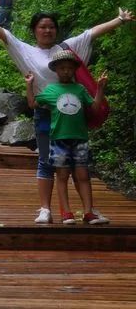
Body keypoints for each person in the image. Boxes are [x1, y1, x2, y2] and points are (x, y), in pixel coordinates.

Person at [0, 3, 132, 223]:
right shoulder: (26, 51)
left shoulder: (66, 48)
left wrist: (119, 20)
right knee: (46, 160)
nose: (47, 30)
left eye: (51, 26)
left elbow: (91, 34)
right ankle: (45, 208)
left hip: (72, 114)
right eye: (42, 27)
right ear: (35, 30)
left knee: (79, 164)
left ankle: (89, 210)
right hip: (45, 113)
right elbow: (4, 35)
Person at [26, 50, 109, 225]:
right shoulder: (51, 90)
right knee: (62, 176)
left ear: (74, 70)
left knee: (83, 175)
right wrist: (29, 85)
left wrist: (100, 88)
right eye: (62, 68)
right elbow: (33, 104)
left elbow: (94, 108)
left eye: (69, 68)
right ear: (56, 70)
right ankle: (66, 212)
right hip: (59, 139)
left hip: (80, 138)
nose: (66, 71)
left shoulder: (79, 89)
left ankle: (88, 212)